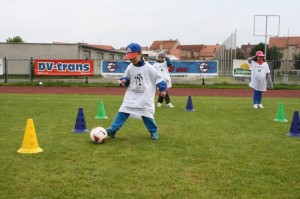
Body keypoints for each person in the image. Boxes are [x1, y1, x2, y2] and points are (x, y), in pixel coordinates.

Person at [106, 43, 167, 140]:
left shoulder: (148, 67)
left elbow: (158, 78)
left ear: (140, 54)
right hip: (132, 95)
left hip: (145, 96)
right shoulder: (130, 67)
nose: (131, 60)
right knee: (123, 111)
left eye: (133, 57)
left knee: (147, 115)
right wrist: (124, 82)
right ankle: (113, 129)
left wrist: (162, 89)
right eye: (129, 58)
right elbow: (126, 77)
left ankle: (153, 131)